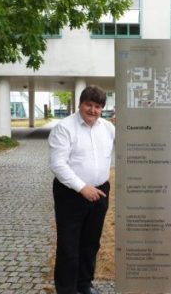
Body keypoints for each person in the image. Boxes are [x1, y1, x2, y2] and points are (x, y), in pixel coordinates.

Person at [48, 85, 115, 294]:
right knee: (69, 243)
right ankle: (66, 288)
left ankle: (84, 284)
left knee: (91, 242)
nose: (93, 110)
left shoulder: (108, 128)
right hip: (71, 194)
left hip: (100, 191)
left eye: (97, 107)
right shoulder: (64, 128)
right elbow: (58, 164)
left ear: (102, 108)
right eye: (89, 105)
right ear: (80, 104)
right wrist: (82, 187)